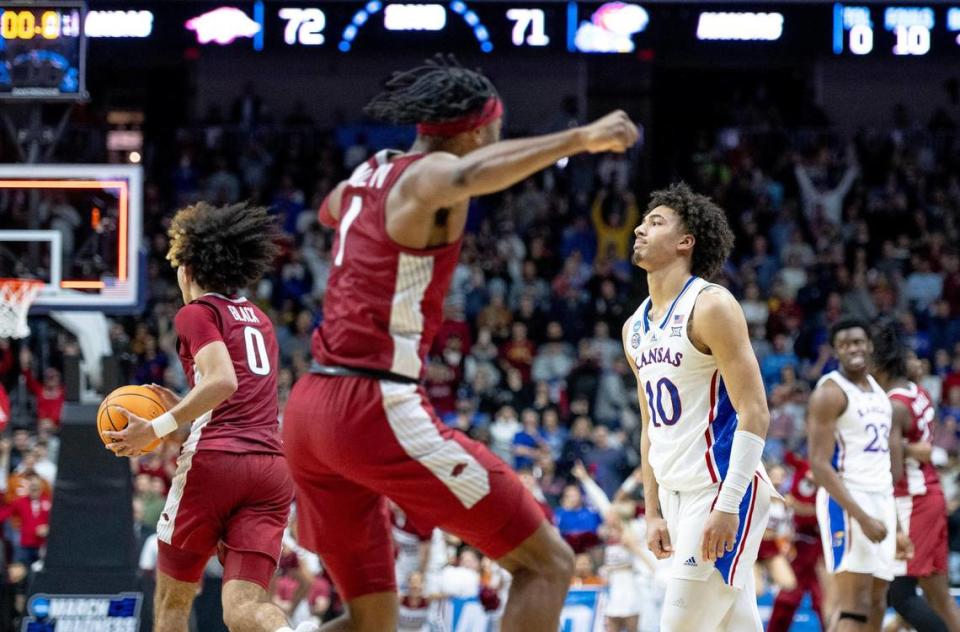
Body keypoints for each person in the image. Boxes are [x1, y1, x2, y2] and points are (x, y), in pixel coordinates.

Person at [282, 54, 639, 632]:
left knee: (372, 623)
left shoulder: (372, 172)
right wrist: (583, 136)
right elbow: (466, 175)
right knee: (548, 563)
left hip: (310, 408)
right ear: (478, 131)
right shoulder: (430, 175)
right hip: (371, 407)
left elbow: (332, 208)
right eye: (498, 131)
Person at [104, 202, 309, 632]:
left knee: (172, 603)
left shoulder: (196, 312)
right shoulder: (260, 320)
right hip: (271, 470)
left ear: (189, 268)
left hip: (215, 465)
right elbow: (240, 397)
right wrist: (184, 406)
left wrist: (157, 427)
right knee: (244, 610)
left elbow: (223, 382)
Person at [623, 182, 774, 631]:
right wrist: (652, 511)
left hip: (721, 490)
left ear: (685, 242)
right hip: (675, 493)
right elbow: (651, 425)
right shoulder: (633, 327)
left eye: (655, 222)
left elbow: (756, 411)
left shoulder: (710, 306)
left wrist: (728, 506)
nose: (638, 229)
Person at [807, 318, 910, 632]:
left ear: (869, 346)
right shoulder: (830, 393)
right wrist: (862, 517)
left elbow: (884, 467)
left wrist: (897, 524)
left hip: (880, 500)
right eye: (845, 344)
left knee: (879, 601)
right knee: (854, 606)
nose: (853, 348)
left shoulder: (879, 391)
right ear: (836, 350)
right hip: (848, 502)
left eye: (858, 342)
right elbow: (819, 465)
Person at [874, 325, 960, 632]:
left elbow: (893, 471)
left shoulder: (894, 404)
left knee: (900, 594)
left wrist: (894, 448)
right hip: (930, 494)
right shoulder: (918, 391)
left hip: (913, 501)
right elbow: (921, 446)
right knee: (939, 596)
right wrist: (910, 447)